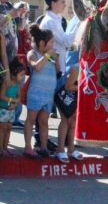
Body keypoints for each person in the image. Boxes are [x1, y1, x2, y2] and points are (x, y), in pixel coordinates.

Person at [23, 24, 58, 158]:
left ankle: (43, 147)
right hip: (36, 93)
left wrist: (55, 60)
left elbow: (56, 71)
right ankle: (27, 147)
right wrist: (48, 56)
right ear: (42, 43)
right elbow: (36, 67)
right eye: (51, 42)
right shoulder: (33, 54)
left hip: (48, 94)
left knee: (44, 121)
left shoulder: (50, 56)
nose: (53, 44)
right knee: (31, 119)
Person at [55, 50, 83, 163]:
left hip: (75, 98)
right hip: (64, 96)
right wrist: (83, 86)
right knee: (65, 121)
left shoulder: (90, 68)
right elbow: (68, 86)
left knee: (73, 123)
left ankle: (71, 149)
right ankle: (60, 149)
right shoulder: (76, 68)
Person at [0, 58, 25, 156]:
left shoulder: (18, 85)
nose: (23, 77)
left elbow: (19, 97)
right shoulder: (6, 83)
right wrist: (12, 100)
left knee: (9, 128)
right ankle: (1, 148)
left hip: (11, 110)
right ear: (14, 75)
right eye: (21, 75)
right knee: (2, 128)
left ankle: (5, 147)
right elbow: (1, 95)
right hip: (3, 109)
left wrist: (14, 104)